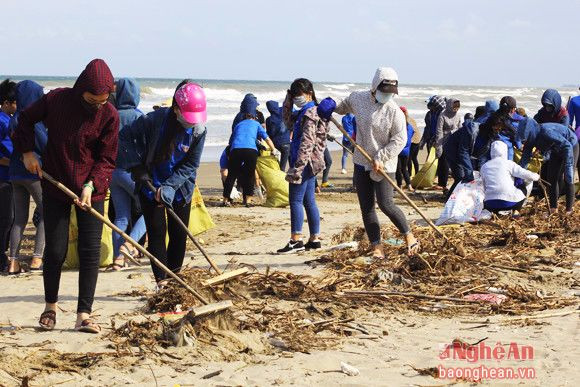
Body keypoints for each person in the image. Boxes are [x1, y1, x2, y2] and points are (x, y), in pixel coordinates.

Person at [13, 59, 119, 333]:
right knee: (56, 249)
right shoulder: (57, 100)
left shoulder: (109, 115)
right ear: (80, 89)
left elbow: (107, 159)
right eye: (91, 99)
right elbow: (24, 119)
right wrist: (27, 152)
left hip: (91, 191)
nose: (96, 105)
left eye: (102, 100)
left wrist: (91, 185)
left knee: (90, 251)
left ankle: (84, 313)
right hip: (56, 184)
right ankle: (50, 307)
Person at [119, 81, 207, 285]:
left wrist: (170, 186)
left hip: (180, 187)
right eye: (187, 117)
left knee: (179, 235)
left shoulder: (199, 130)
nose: (192, 123)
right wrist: (135, 165)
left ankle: (174, 280)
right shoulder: (154, 120)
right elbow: (124, 138)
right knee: (157, 234)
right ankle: (162, 282)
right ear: (176, 109)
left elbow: (191, 165)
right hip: (150, 183)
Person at [334, 67, 420, 258]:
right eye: (384, 91)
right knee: (367, 206)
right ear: (375, 86)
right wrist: (330, 104)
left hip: (385, 164)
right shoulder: (358, 98)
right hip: (360, 160)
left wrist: (381, 157)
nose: (387, 95)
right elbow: (343, 106)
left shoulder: (394, 111)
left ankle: (409, 235)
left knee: (386, 203)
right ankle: (377, 247)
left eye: (391, 93)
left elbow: (399, 140)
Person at [277, 79, 334, 253]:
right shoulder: (309, 111)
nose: (296, 98)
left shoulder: (309, 113)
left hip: (305, 162)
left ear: (309, 93)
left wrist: (298, 167)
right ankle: (314, 239)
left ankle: (296, 240)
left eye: (298, 95)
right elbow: (287, 121)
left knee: (295, 200)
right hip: (312, 163)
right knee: (309, 201)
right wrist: (288, 100)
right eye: (294, 95)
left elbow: (307, 142)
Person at [7, 80, 47, 274]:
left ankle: (13, 262)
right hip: (33, 173)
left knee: (20, 220)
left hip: (14, 173)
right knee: (46, 214)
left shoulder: (14, 118)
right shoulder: (33, 120)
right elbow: (44, 145)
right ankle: (37, 259)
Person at [109, 78, 147, 270]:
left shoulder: (110, 115)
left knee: (121, 217)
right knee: (151, 210)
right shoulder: (138, 116)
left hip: (112, 173)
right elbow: (145, 145)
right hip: (131, 172)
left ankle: (118, 259)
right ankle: (130, 245)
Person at [517, 118, 579, 215]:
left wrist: (568, 165)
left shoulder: (546, 132)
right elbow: (525, 157)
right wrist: (519, 175)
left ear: (531, 132)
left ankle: (569, 210)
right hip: (555, 150)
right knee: (552, 177)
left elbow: (567, 146)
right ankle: (554, 208)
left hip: (570, 145)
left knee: (568, 177)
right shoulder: (530, 138)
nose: (525, 141)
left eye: (526, 138)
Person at [223, 101, 279, 206]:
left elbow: (232, 139)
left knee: (232, 175)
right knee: (249, 175)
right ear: (254, 116)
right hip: (250, 150)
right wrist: (274, 149)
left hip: (236, 149)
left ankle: (225, 200)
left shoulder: (238, 124)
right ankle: (247, 201)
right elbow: (266, 138)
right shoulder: (257, 124)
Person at [481, 141, 539, 215]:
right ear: (505, 151)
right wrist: (536, 176)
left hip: (489, 203)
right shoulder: (508, 163)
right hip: (509, 202)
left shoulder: (484, 166)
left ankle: (495, 212)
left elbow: (483, 185)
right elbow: (525, 174)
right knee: (527, 183)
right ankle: (517, 209)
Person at [0, 79, 17, 273]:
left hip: (9, 175)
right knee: (6, 218)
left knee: (9, 218)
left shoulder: (9, 120)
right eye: (14, 102)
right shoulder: (2, 122)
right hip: (3, 176)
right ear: (6, 102)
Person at [443, 118, 479, 197]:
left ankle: (452, 195)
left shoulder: (478, 130)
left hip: (456, 151)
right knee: (460, 177)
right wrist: (469, 171)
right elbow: (463, 152)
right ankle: (450, 198)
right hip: (452, 151)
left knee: (462, 176)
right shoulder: (470, 130)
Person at [435, 98, 462, 192]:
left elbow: (460, 128)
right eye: (454, 108)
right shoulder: (442, 115)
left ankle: (456, 182)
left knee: (455, 164)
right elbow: (439, 131)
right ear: (450, 106)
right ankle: (442, 184)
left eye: (457, 108)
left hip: (454, 142)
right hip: (444, 142)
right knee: (444, 163)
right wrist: (438, 147)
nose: (456, 110)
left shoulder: (458, 116)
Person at [265, 100, 291, 171]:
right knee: (285, 166)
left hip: (275, 145)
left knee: (275, 166)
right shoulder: (284, 114)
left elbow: (269, 134)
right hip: (286, 144)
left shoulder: (268, 120)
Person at [396, 106, 414, 190]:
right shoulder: (409, 126)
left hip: (398, 150)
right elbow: (412, 134)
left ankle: (399, 185)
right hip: (407, 150)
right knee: (404, 169)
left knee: (398, 169)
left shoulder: (399, 125)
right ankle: (409, 185)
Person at [406, 110, 421, 177]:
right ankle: (416, 173)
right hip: (418, 140)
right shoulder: (411, 119)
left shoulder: (407, 121)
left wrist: (410, 141)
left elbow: (412, 131)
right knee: (414, 158)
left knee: (409, 158)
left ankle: (409, 174)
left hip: (413, 141)